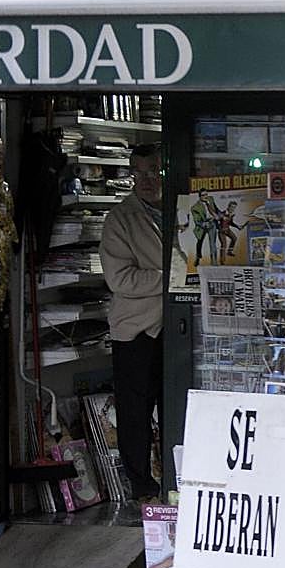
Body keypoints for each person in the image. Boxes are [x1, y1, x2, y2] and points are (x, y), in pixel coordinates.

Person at [99, 144, 164, 500]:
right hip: (135, 331)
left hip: (175, 328)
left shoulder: (180, 209)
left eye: (153, 170)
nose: (146, 179)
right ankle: (141, 488)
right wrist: (170, 277)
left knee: (174, 408)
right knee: (135, 414)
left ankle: (174, 479)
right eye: (138, 172)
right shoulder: (119, 219)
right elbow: (121, 279)